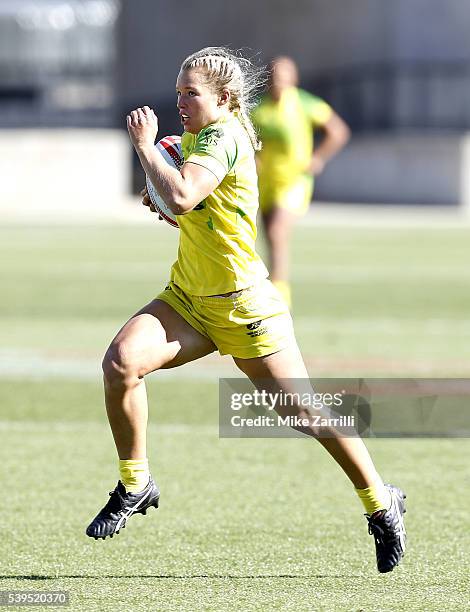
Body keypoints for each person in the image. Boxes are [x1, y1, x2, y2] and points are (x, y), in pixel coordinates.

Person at [85, 47, 406, 573]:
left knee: (303, 413)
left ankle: (380, 500)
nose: (181, 101)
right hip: (188, 298)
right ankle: (136, 482)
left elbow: (186, 195)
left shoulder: (225, 134)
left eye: (192, 93)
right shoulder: (198, 133)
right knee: (121, 362)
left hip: (244, 307)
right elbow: (189, 208)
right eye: (178, 92)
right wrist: (165, 200)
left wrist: (147, 152)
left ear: (224, 98)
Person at [252, 56, 351, 307]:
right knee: (268, 236)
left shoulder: (305, 104)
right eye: (274, 76)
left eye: (284, 76)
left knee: (277, 232)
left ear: (294, 79)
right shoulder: (259, 110)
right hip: (267, 182)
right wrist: (254, 159)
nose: (279, 81)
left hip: (294, 181)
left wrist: (318, 158)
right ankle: (272, 288)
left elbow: (338, 131)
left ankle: (280, 296)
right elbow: (250, 142)